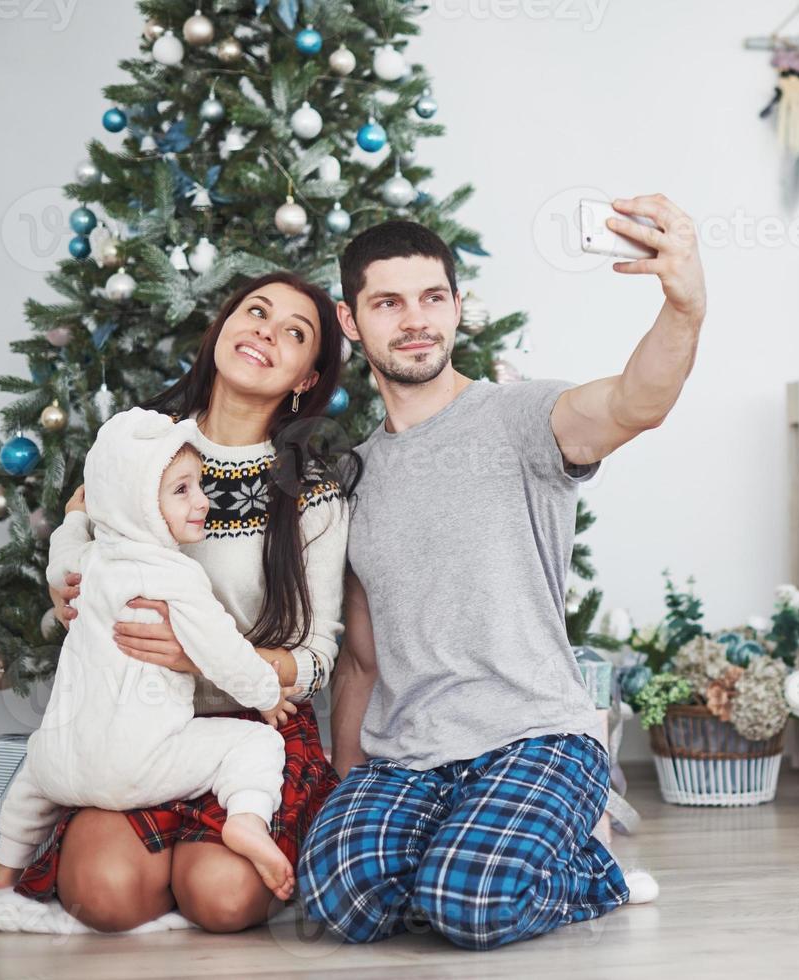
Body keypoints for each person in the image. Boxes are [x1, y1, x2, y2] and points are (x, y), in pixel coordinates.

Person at [298, 194, 705, 949]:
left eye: (431, 298)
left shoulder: (520, 417)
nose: (414, 319)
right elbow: (360, 659)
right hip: (410, 754)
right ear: (352, 321)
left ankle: (591, 863)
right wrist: (347, 784)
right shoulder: (353, 474)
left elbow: (635, 401)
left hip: (535, 735)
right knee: (335, 900)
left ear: (456, 308)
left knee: (468, 904)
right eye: (388, 303)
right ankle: (468, 852)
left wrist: (684, 305)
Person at [36, 272, 355, 933]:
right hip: (133, 722)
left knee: (224, 899)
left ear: (305, 378)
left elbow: (319, 658)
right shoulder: (138, 447)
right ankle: (159, 857)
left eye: (294, 332)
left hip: (251, 732)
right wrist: (64, 580)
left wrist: (204, 657)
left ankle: (205, 854)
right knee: (101, 897)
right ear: (222, 330)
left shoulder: (315, 494)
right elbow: (78, 526)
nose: (267, 329)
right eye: (256, 311)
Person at [0, 408, 296, 901]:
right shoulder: (173, 575)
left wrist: (75, 518)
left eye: (199, 485)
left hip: (65, 763)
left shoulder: (85, 565)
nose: (203, 501)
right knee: (254, 744)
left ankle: (3, 868)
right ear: (138, 504)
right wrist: (267, 693)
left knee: (33, 769)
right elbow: (224, 652)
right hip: (139, 764)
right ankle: (247, 821)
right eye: (182, 490)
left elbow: (58, 559)